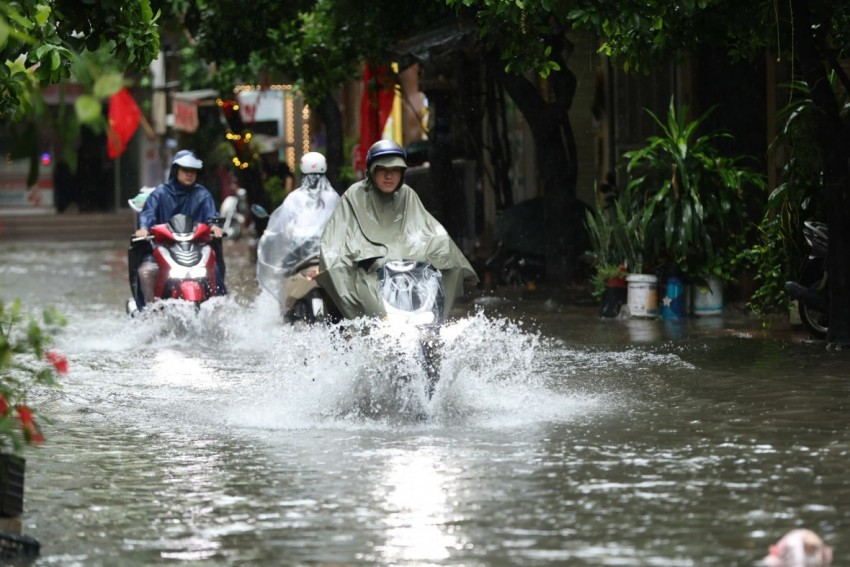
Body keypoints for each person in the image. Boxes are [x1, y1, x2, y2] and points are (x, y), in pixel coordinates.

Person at [317, 140, 478, 320]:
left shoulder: (407, 195)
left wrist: (455, 265)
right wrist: (346, 268)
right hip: (369, 275)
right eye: (382, 170)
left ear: (402, 172)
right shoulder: (353, 197)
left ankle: (435, 328)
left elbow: (431, 231)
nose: (389, 176)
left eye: (395, 170)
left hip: (411, 274)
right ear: (371, 170)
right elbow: (335, 244)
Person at [131, 150, 225, 309]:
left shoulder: (203, 195)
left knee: (213, 269)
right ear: (176, 171)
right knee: (146, 271)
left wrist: (215, 227)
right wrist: (144, 228)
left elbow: (211, 217)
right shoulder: (160, 193)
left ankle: (219, 310)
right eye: (185, 170)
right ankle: (148, 312)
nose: (189, 174)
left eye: (193, 171)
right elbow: (147, 214)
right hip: (163, 247)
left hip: (197, 249)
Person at [256, 151, 340, 317]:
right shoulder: (334, 196)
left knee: (281, 274)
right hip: (328, 255)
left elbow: (280, 227)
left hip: (301, 255)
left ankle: (285, 312)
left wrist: (270, 235)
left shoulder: (295, 198)